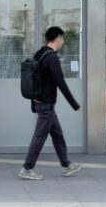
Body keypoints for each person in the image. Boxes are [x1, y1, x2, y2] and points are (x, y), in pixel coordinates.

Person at [18, 26, 83, 180]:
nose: (63, 42)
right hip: (46, 104)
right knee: (40, 136)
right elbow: (61, 83)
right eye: (62, 39)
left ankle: (66, 165)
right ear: (58, 39)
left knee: (57, 134)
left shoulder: (40, 53)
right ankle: (27, 168)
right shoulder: (51, 57)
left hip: (42, 102)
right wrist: (74, 104)